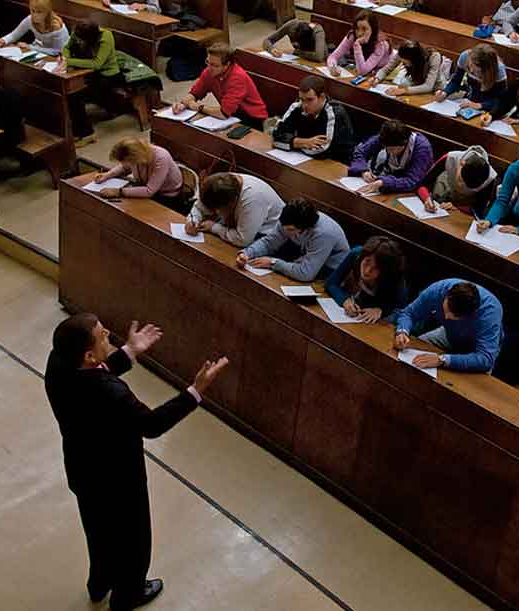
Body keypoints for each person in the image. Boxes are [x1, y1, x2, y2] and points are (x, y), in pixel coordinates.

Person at [45, 313, 228, 611]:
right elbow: (152, 424)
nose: (109, 335)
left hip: (83, 471)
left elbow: (96, 371)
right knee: (134, 543)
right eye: (103, 336)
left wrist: (129, 353)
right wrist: (195, 390)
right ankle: (128, 594)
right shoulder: (109, 392)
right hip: (119, 480)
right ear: (89, 354)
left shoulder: (58, 364)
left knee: (98, 532)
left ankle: (99, 583)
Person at [394, 279, 504, 373]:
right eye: (446, 309)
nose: (446, 317)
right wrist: (402, 331)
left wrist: (443, 360)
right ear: (447, 295)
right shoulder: (437, 290)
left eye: (454, 316)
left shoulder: (490, 313)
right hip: (448, 335)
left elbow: (485, 359)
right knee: (414, 348)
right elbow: (408, 313)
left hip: (476, 347)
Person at [236, 198, 350, 282]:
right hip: (305, 258)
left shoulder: (324, 234)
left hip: (331, 270)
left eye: (290, 229)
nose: (285, 231)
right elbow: (269, 243)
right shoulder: (288, 220)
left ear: (305, 227)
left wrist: (273, 263)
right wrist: (246, 253)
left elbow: (305, 274)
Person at [174, 43, 269, 130]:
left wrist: (199, 107)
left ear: (227, 65)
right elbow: (195, 93)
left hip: (252, 119)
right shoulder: (209, 71)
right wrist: (183, 104)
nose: (209, 68)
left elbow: (223, 113)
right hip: (231, 115)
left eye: (214, 65)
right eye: (208, 62)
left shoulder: (237, 78)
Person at [272, 75, 357, 162]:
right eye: (302, 99)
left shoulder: (335, 113)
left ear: (322, 97)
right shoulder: (298, 106)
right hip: (303, 159)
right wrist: (302, 142)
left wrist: (291, 143)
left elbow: (323, 151)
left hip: (336, 163)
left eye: (309, 100)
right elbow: (275, 137)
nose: (304, 105)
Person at [91, 136, 189, 212]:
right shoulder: (136, 157)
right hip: (145, 187)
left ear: (136, 158)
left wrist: (118, 192)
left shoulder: (161, 157)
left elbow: (149, 191)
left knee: (132, 212)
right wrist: (107, 175)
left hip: (167, 197)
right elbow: (124, 167)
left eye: (128, 161)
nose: (125, 164)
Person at [185, 172, 284, 247]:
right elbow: (199, 207)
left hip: (269, 235)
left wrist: (214, 228)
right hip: (237, 227)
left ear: (232, 202)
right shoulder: (219, 183)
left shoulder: (252, 199)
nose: (217, 212)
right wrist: (192, 220)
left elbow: (243, 240)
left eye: (219, 209)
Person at [326, 235, 408, 323]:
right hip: (356, 307)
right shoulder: (356, 254)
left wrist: (380, 310)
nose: (367, 270)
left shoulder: (395, 275)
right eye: (367, 262)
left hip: (375, 317)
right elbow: (331, 283)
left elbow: (401, 310)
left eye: (375, 268)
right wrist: (344, 300)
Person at [61, 20, 118, 144]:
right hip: (83, 71)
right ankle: (73, 129)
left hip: (106, 75)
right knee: (65, 90)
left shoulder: (106, 37)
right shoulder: (78, 32)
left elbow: (97, 64)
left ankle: (87, 134)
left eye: (81, 40)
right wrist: (64, 58)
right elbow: (67, 47)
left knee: (75, 96)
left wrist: (69, 61)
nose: (78, 41)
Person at [348, 120, 434, 195]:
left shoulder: (422, 149)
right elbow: (360, 152)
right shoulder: (387, 136)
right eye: (386, 148)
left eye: (392, 149)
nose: (389, 152)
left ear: (404, 143)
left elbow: (412, 181)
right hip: (387, 179)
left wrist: (384, 182)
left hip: (415, 191)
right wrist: (363, 170)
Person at [417, 145, 499, 216]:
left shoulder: (491, 179)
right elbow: (423, 184)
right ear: (461, 163)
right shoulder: (450, 158)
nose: (461, 185)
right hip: (444, 197)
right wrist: (427, 198)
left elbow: (480, 209)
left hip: (465, 208)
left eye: (467, 186)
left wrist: (456, 207)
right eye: (460, 180)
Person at [435, 44, 509, 116]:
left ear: (487, 70)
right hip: (469, 102)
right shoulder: (465, 57)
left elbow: (501, 100)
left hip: (490, 109)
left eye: (477, 71)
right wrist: (445, 92)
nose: (471, 70)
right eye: (470, 66)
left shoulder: (499, 70)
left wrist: (480, 105)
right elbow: (456, 81)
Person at [368, 40, 447, 96]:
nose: (405, 65)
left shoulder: (434, 57)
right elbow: (386, 69)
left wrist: (403, 91)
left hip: (436, 89)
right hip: (416, 85)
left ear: (415, 60)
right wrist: (377, 78)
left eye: (406, 63)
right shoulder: (402, 53)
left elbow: (428, 86)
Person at [0, 0, 70, 55]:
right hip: (40, 51)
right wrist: (4, 40)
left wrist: (31, 47)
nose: (34, 15)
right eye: (33, 11)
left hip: (60, 56)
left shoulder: (56, 27)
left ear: (47, 12)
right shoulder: (29, 19)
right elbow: (14, 35)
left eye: (39, 12)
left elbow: (57, 51)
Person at [327, 11, 390, 78]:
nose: (359, 33)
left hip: (385, 72)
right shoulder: (352, 35)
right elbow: (332, 57)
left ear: (373, 29)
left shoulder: (380, 44)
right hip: (370, 70)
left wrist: (357, 45)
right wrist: (332, 68)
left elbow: (362, 71)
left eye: (364, 29)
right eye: (357, 28)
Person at [262, 19, 327, 62]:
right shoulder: (291, 26)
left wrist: (298, 52)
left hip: (316, 59)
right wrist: (271, 49)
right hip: (298, 57)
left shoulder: (318, 31)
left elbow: (319, 57)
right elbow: (267, 40)